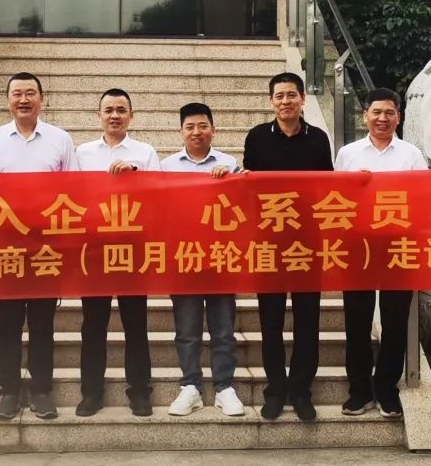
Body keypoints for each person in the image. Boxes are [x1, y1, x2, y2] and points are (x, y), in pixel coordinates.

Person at [0, 72, 77, 421]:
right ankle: (8, 391)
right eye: (17, 93)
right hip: (6, 249)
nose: (23, 99)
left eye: (30, 93)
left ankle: (42, 390)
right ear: (7, 100)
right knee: (7, 323)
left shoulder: (60, 139)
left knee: (43, 323)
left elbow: (73, 191)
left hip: (46, 249)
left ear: (41, 100)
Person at [242, 72, 333, 421]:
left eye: (291, 95)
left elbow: (328, 190)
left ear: (303, 99)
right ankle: (276, 390)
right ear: (271, 101)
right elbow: (248, 188)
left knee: (308, 321)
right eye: (279, 96)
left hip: (307, 244)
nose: (285, 101)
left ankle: (301, 391)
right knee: (271, 322)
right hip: (269, 243)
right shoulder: (257, 137)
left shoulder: (318, 139)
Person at [333, 87, 428, 420]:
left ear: (398, 117)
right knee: (357, 320)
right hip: (358, 247)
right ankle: (359, 390)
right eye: (376, 112)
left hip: (398, 246)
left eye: (389, 112)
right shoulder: (347, 154)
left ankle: (387, 388)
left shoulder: (412, 155)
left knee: (395, 320)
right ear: (365, 116)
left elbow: (424, 198)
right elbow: (335, 200)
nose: (382, 118)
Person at [74, 88, 159, 417]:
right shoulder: (82, 153)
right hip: (94, 249)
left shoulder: (145, 152)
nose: (114, 115)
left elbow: (161, 195)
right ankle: (91, 393)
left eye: (121, 110)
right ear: (98, 116)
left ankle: (140, 392)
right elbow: (71, 196)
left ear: (131, 116)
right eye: (108, 110)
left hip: (132, 248)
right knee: (93, 325)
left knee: (135, 324)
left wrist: (135, 177)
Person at [160, 102, 244, 417]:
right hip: (184, 258)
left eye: (203, 126)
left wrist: (233, 181)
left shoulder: (229, 162)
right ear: (181, 131)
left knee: (223, 327)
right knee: (187, 328)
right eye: (190, 127)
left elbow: (241, 207)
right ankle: (190, 386)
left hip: (221, 257)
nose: (197, 132)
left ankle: (224, 387)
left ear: (213, 129)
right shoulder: (166, 166)